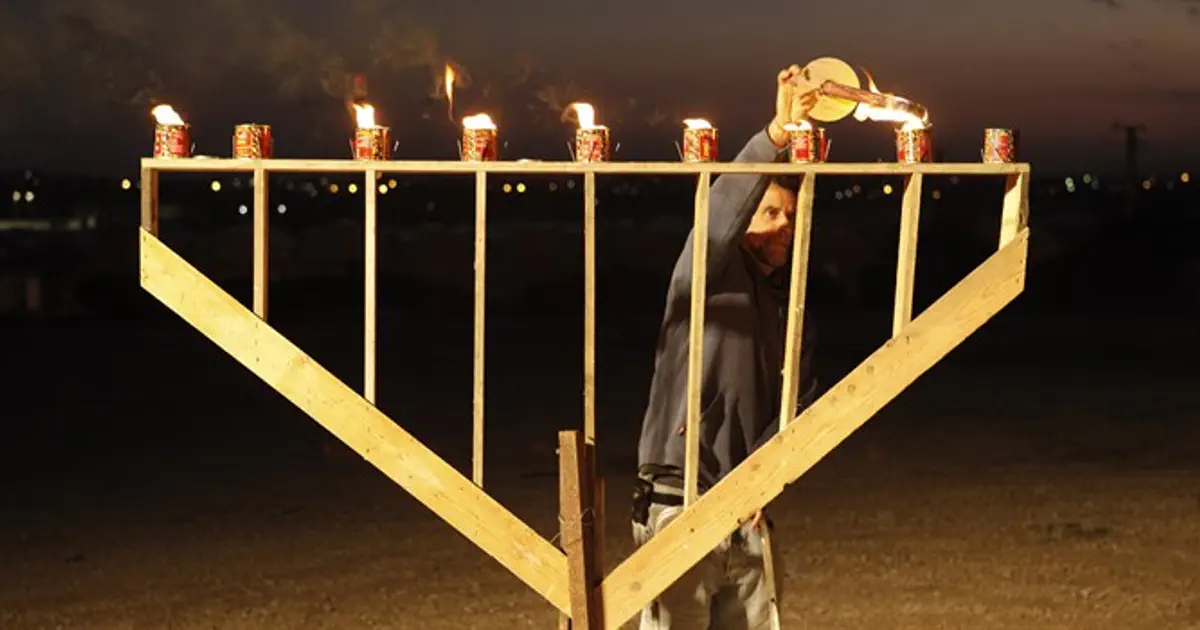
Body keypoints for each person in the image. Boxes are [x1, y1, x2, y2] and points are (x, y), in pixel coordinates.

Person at [631, 65, 821, 629]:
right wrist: (777, 137)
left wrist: (766, 474)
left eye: (791, 216)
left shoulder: (792, 308)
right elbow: (716, 217)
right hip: (677, 499)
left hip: (747, 508)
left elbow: (799, 402)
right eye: (768, 213)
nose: (783, 225)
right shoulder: (705, 275)